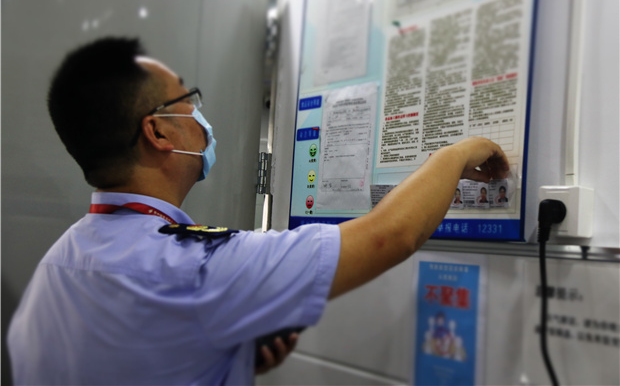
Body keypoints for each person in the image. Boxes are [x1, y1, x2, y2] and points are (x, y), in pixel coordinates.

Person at [7, 37, 509, 385]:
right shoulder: (193, 268)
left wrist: (222, 360)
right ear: (157, 131)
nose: (199, 114)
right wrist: (456, 153)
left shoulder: (56, 264)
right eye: (187, 99)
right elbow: (389, 235)